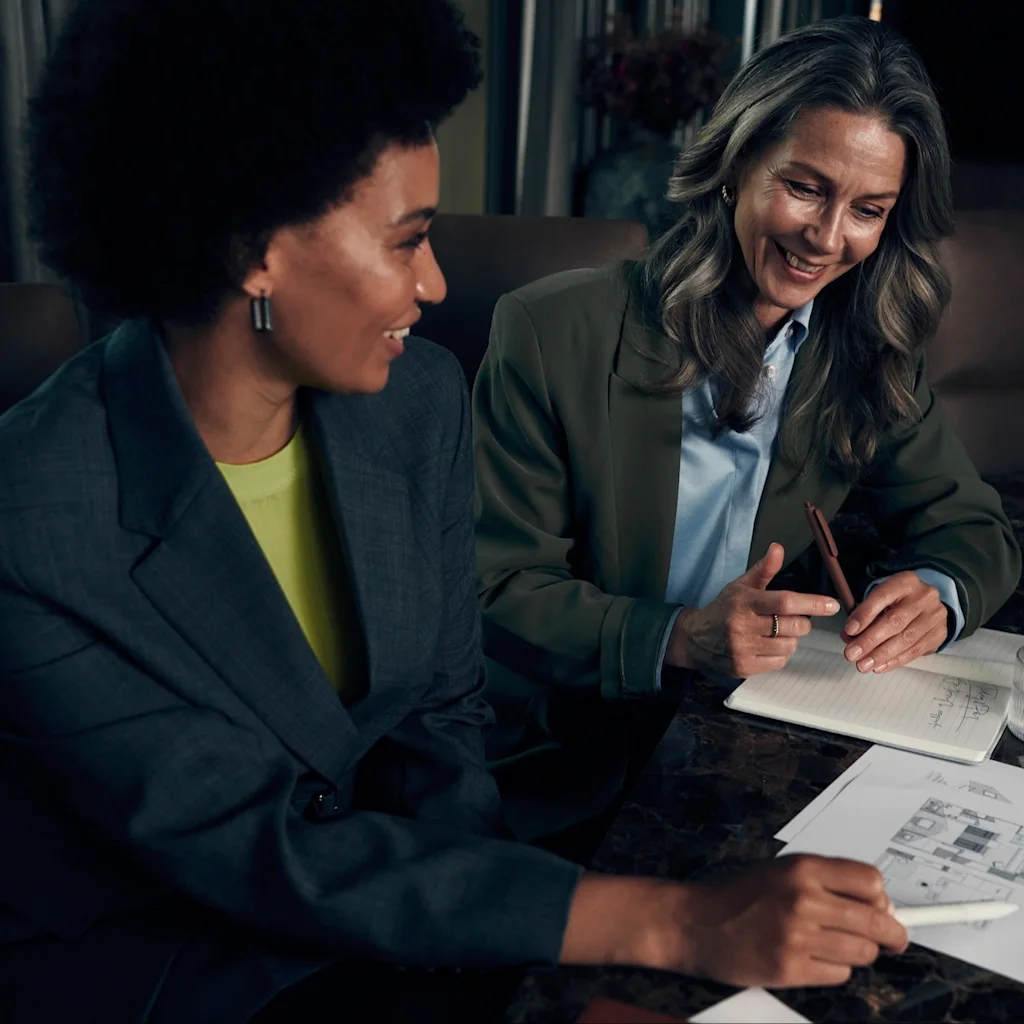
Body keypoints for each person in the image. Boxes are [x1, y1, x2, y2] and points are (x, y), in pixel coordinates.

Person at [0, 2, 910, 1019]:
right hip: (169, 963)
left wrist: (514, 961)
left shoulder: (415, 403)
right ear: (253, 248)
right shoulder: (31, 517)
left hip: (406, 911)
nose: (433, 284)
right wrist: (666, 920)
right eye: (408, 241)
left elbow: (439, 723)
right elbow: (260, 848)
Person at [474, 16, 1021, 846]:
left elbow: (975, 529)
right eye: (805, 187)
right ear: (735, 166)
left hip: (745, 744)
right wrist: (677, 638)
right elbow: (496, 591)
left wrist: (938, 596)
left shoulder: (867, 351)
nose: (829, 239)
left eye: (868, 209)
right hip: (560, 758)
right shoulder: (550, 330)